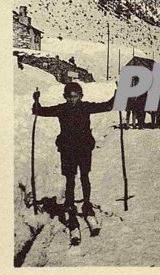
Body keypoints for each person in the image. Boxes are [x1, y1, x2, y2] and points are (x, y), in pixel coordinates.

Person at [32, 82, 115, 224]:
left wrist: (117, 95)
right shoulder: (61, 109)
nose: (72, 100)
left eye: (75, 96)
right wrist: (36, 101)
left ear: (80, 96)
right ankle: (70, 203)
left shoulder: (86, 107)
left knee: (84, 176)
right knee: (70, 178)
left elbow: (107, 106)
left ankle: (87, 204)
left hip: (84, 148)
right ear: (65, 97)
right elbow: (40, 111)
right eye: (69, 97)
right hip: (67, 149)